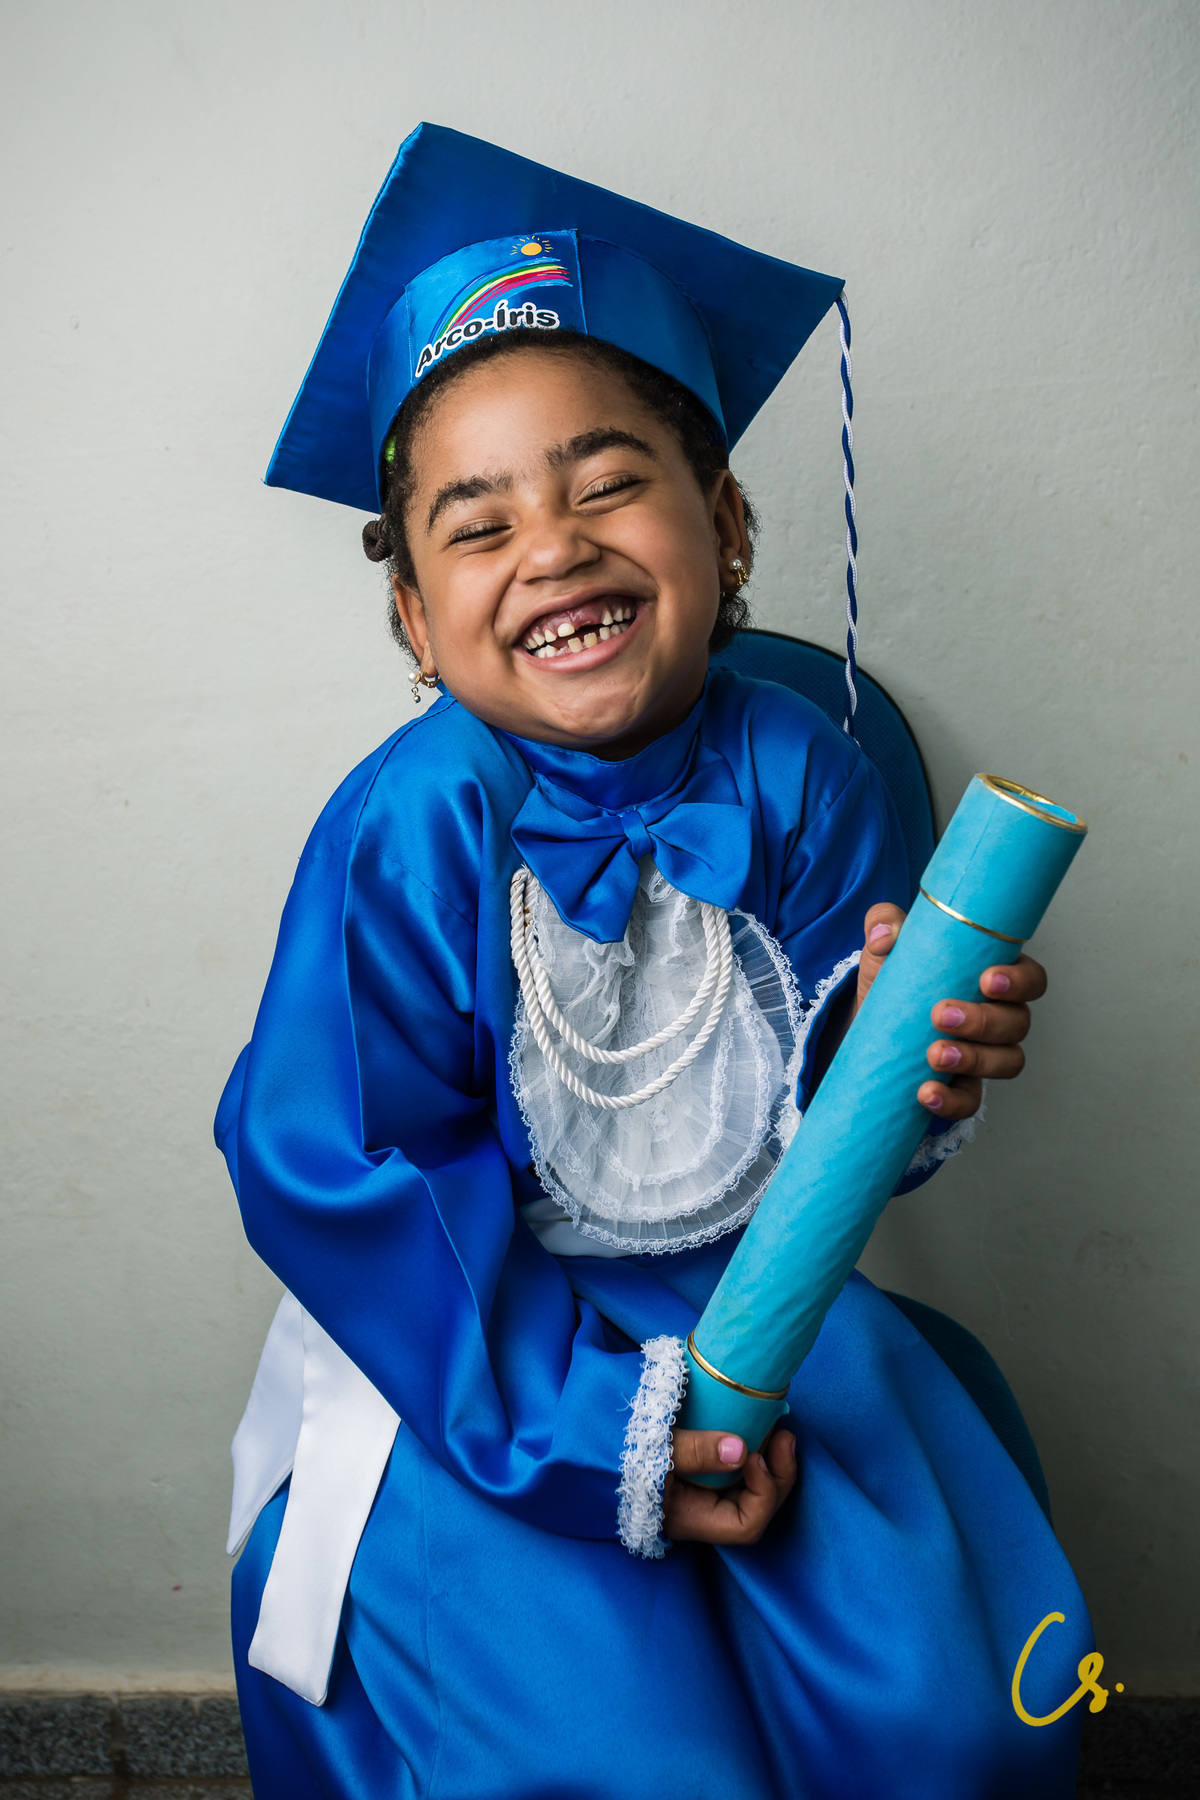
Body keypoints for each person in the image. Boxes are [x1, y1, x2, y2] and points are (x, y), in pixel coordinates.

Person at [217, 123, 1092, 1797]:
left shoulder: (811, 767)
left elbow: (830, 1150)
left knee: (934, 1718)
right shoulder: (406, 829)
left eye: (608, 480)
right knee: (616, 1758)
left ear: (729, 525)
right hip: (473, 1339)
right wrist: (586, 1430)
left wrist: (905, 1057)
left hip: (763, 1304)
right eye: (473, 527)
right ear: (414, 621)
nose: (552, 544)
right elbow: (347, 1166)